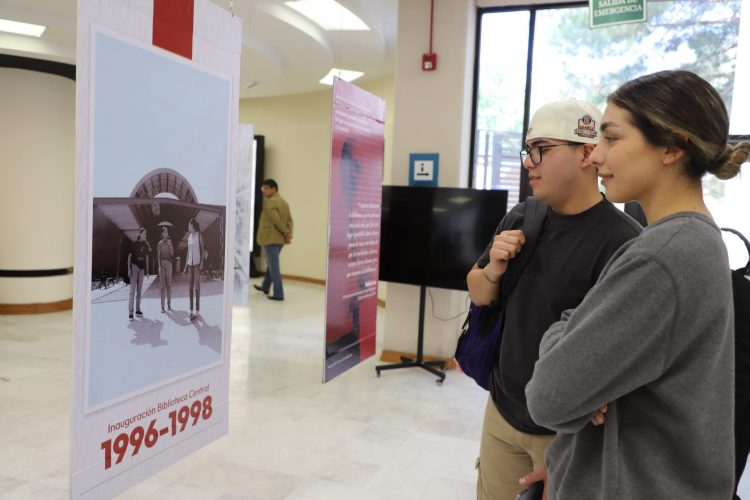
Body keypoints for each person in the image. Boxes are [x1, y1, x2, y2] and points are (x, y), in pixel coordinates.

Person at [526, 70, 750, 499]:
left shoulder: (662, 258)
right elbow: (574, 324)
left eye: (611, 139)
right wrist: (573, 344)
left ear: (672, 147)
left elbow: (548, 397)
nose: (595, 156)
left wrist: (565, 347)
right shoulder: (691, 239)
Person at [467, 99, 641, 499]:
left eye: (541, 149)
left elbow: (620, 359)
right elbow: (477, 292)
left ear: (586, 153)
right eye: (528, 150)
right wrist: (493, 269)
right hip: (502, 412)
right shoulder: (523, 216)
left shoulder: (624, 242)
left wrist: (572, 448)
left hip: (567, 433)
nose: (529, 163)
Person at [254, 178, 293, 301]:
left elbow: (276, 221)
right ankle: (265, 286)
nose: (263, 190)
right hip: (280, 240)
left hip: (270, 239)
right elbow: (290, 221)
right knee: (272, 263)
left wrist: (286, 232)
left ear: (273, 189)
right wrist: (288, 234)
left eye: (266, 188)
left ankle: (278, 294)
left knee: (274, 266)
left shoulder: (270, 202)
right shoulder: (284, 203)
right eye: (263, 188)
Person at [127, 227, 151, 320]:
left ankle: (138, 309)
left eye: (146, 234)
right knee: (132, 290)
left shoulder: (146, 245)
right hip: (134, 267)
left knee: (140, 291)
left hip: (142, 270)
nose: (145, 235)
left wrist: (147, 271)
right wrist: (129, 269)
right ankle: (130, 312)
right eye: (144, 234)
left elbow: (147, 258)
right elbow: (129, 257)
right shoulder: (134, 244)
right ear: (140, 234)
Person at [183, 218, 203, 320]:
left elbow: (202, 249)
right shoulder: (189, 237)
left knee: (197, 287)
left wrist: (202, 262)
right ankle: (191, 310)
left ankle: (197, 310)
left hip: (197, 264)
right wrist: (185, 266)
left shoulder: (199, 235)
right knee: (190, 288)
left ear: (192, 225)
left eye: (189, 225)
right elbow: (188, 252)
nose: (188, 227)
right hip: (190, 265)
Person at [157, 226, 174, 313]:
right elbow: (158, 256)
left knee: (169, 285)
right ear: (162, 233)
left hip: (169, 263)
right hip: (162, 264)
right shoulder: (159, 243)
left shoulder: (170, 242)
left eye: (167, 232)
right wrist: (159, 266)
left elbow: (172, 254)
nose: (166, 233)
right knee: (162, 286)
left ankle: (169, 304)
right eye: (165, 232)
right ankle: (162, 306)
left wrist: (170, 246)